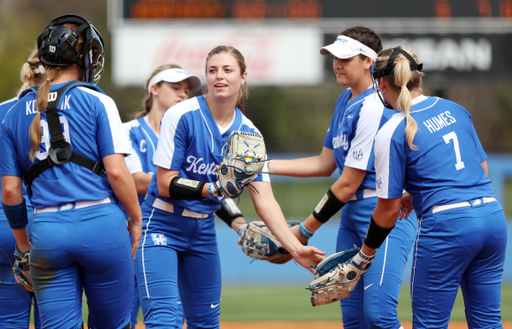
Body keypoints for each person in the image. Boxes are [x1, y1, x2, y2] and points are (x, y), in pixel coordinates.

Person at [134, 44, 325, 329]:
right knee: (164, 320)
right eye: (212, 70)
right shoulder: (181, 115)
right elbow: (164, 183)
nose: (219, 76)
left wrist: (295, 248)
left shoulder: (249, 134)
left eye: (227, 70)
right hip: (162, 223)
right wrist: (211, 189)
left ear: (243, 76)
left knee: (207, 322)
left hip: (202, 231)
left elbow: (265, 200)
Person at [268, 27, 417, 329]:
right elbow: (325, 164)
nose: (337, 63)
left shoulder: (375, 105)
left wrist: (303, 232)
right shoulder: (345, 100)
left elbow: (348, 184)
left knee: (379, 315)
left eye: (346, 57)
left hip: (384, 211)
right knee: (353, 318)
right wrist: (265, 165)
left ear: (368, 62)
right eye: (335, 56)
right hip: (351, 216)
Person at [0, 14, 142, 329]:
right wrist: (135, 218)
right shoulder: (96, 100)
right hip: (100, 224)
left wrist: (23, 246)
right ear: (83, 57)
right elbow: (117, 173)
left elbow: (10, 192)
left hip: (47, 229)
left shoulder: (14, 113)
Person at [356, 45, 507, 329]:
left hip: (448, 227)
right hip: (491, 218)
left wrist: (365, 254)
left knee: (429, 325)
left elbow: (387, 212)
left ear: (381, 83)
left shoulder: (391, 130)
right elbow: (481, 171)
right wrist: (419, 192)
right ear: (419, 77)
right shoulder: (455, 109)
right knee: (487, 323)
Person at [124, 63, 250, 326]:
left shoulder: (192, 128)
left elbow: (210, 187)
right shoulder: (130, 131)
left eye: (186, 89)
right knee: (124, 317)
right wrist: (189, 183)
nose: (183, 93)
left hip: (190, 226)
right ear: (154, 89)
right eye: (175, 87)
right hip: (137, 230)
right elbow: (136, 181)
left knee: (177, 315)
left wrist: (239, 223)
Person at [0, 47, 43, 329]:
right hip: (51, 222)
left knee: (9, 321)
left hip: (5, 222)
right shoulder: (75, 107)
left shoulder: (4, 111)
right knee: (55, 321)